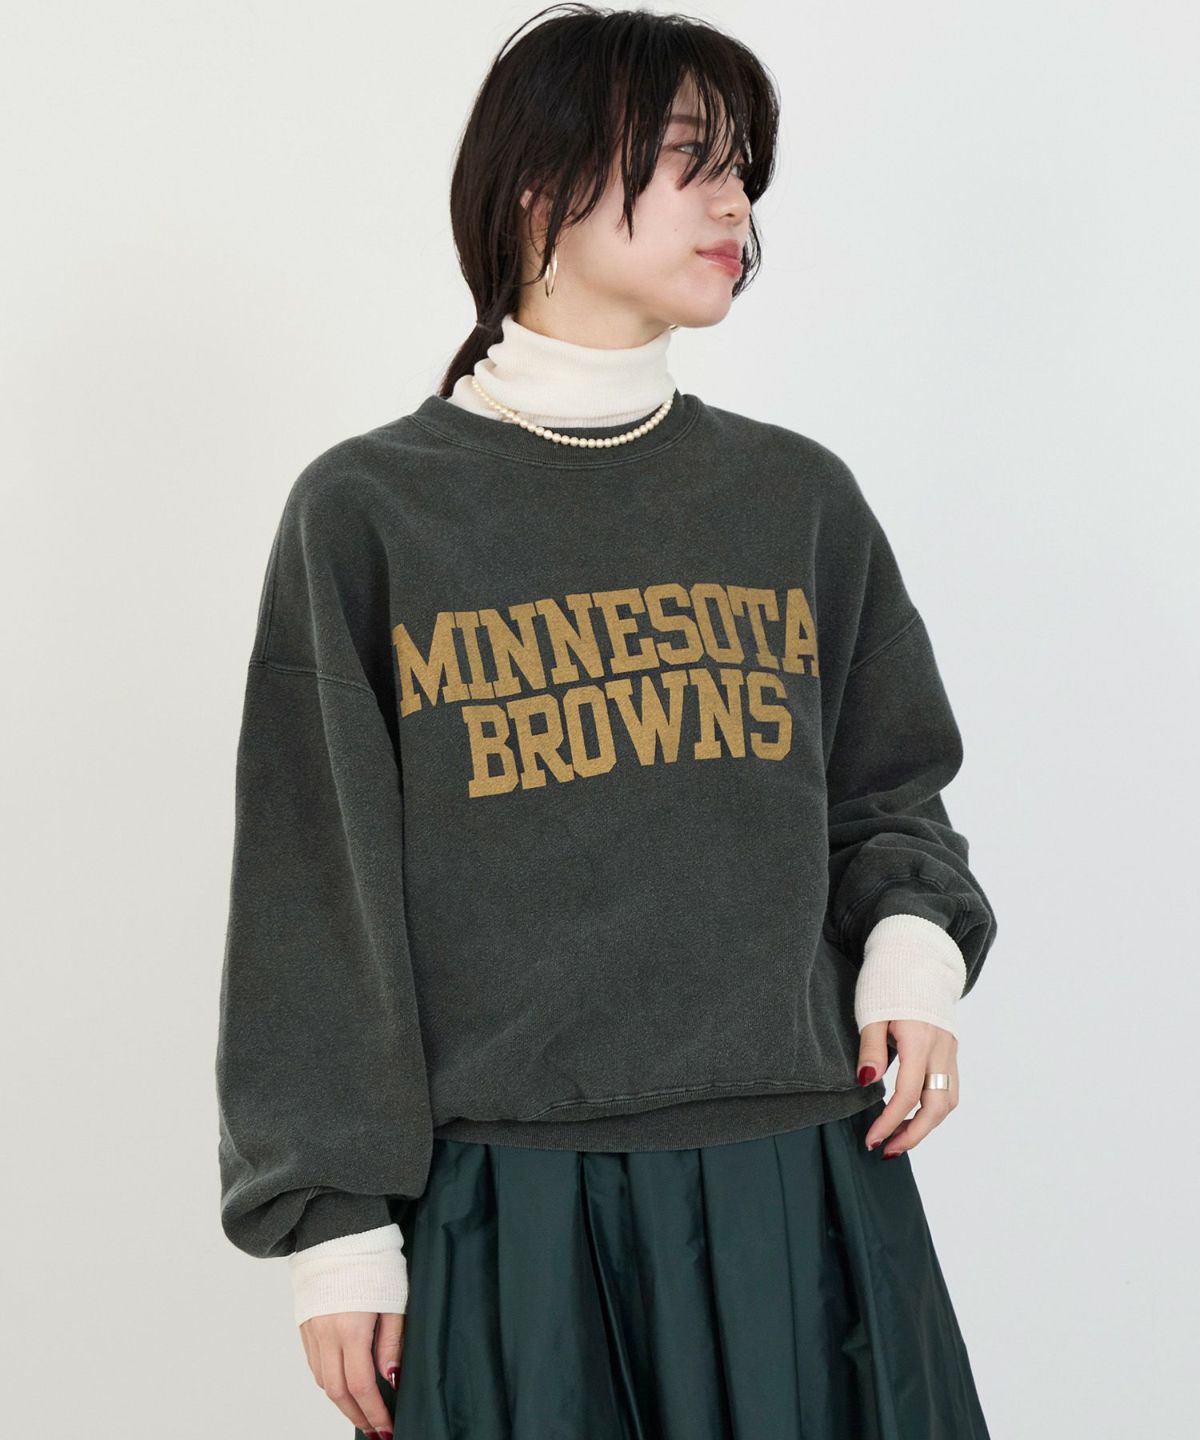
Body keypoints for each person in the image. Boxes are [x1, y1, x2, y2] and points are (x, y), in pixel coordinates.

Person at [215, 6, 999, 1437]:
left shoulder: (794, 499)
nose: (734, 204)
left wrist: (912, 952)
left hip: (802, 1177)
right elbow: (311, 897)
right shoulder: (369, 513)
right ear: (542, 188)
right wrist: (336, 1231)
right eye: (692, 158)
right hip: (508, 1202)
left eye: (744, 169)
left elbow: (891, 793)